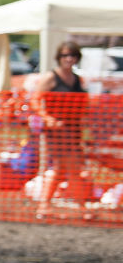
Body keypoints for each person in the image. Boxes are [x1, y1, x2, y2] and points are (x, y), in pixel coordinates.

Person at [31, 41, 90, 220]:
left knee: (61, 169)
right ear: (59, 57)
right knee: (72, 168)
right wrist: (47, 117)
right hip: (57, 130)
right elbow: (35, 100)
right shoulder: (51, 77)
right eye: (65, 55)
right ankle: (81, 207)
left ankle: (44, 205)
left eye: (72, 55)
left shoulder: (77, 79)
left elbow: (83, 104)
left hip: (73, 129)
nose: (69, 59)